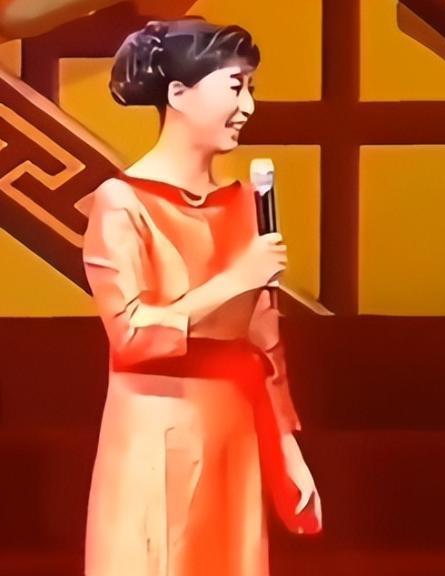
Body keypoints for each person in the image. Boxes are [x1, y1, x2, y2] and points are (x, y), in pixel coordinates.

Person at [82, 18, 320, 576]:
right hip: (156, 430)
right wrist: (236, 280)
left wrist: (287, 447)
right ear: (178, 94)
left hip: (233, 429)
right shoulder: (121, 202)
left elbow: (265, 342)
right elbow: (132, 335)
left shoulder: (243, 203)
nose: (247, 107)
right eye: (236, 87)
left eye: (251, 89)